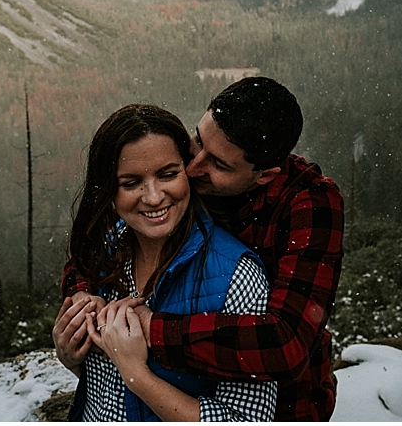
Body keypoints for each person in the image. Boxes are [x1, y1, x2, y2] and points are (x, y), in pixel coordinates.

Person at [61, 78, 345, 421]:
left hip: (285, 399)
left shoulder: (308, 205)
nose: (193, 168)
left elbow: (285, 345)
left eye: (219, 165)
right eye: (198, 140)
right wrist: (80, 304)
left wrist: (151, 331)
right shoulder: (165, 187)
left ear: (264, 176)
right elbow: (96, 245)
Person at [52, 104, 276, 421]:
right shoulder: (105, 254)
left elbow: (248, 420)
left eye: (168, 175)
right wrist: (72, 356)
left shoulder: (237, 276)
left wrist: (137, 375)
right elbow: (108, 395)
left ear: (189, 171)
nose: (154, 197)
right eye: (131, 183)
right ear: (108, 192)